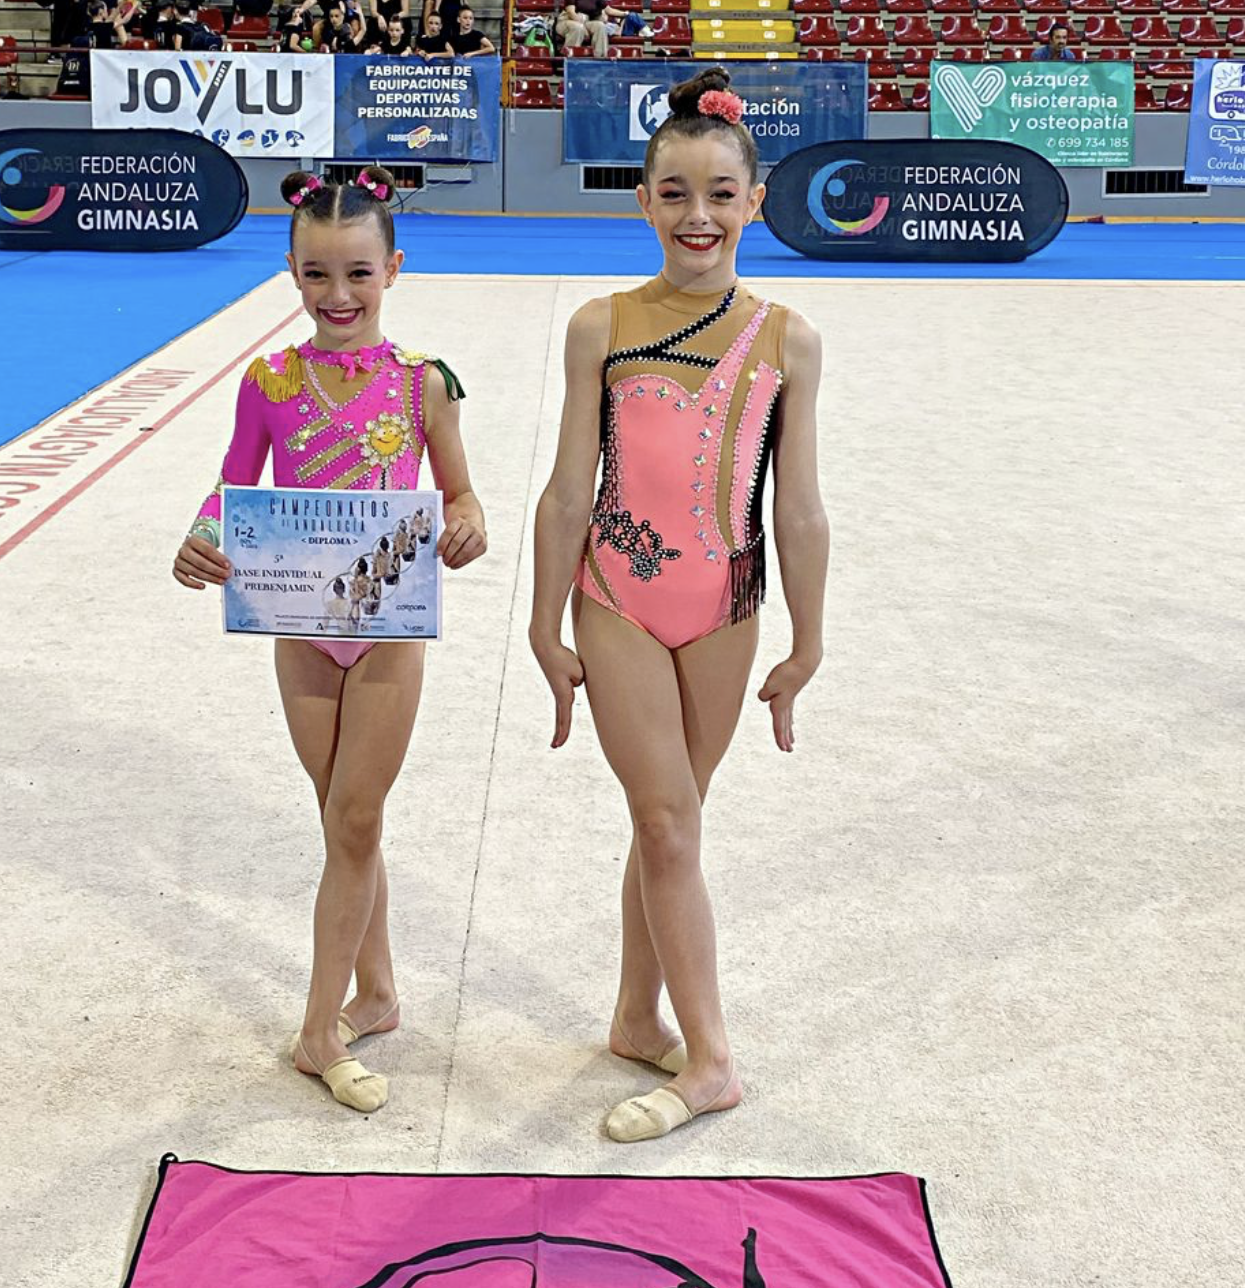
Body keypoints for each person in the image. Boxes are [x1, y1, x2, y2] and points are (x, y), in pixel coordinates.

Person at [528, 67, 827, 1144]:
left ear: (755, 201)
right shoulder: (598, 323)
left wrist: (806, 638)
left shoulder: (788, 338)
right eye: (672, 193)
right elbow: (568, 486)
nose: (695, 216)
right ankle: (708, 1061)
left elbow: (796, 506)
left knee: (674, 829)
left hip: (727, 603)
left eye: (717, 194)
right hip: (615, 592)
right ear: (642, 200)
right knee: (663, 820)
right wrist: (540, 622)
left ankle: (630, 1015)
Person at [172, 167, 488, 1115]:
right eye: (317, 275)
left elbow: (460, 491)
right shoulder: (266, 382)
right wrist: (202, 539)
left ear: (393, 267)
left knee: (353, 817)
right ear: (291, 274)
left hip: (388, 630)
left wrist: (468, 523)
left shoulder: (425, 384)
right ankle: (379, 993)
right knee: (342, 814)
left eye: (357, 273)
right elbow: (232, 490)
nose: (338, 296)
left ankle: (318, 1031)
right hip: (301, 626)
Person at [555, 0, 619, 58]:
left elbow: (608, 10)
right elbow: (571, 13)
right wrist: (583, 28)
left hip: (585, 22)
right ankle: (570, 59)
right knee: (578, 27)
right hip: (567, 20)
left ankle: (600, 57)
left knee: (600, 26)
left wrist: (625, 14)